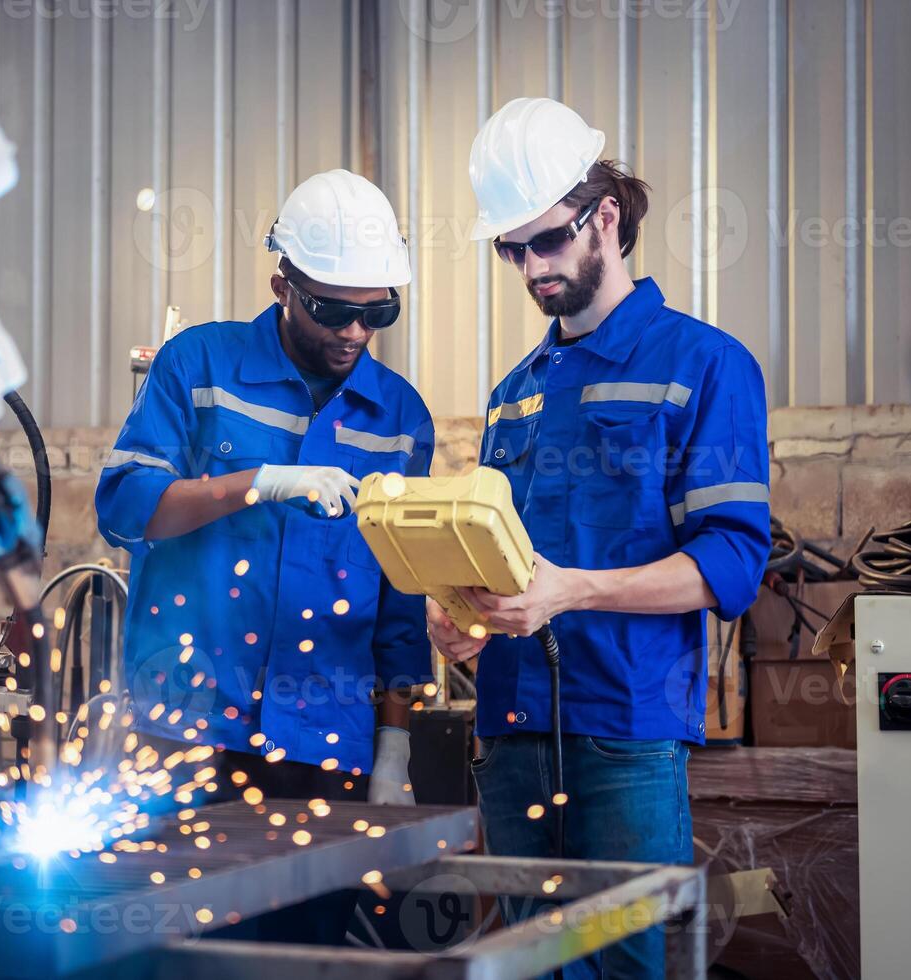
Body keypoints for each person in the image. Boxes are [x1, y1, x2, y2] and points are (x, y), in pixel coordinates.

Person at [431, 97, 771, 978]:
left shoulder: (706, 364)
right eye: (511, 250)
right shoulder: (515, 392)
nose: (531, 266)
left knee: (622, 966)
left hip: (622, 728)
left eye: (547, 240)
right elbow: (502, 556)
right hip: (508, 731)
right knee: (527, 967)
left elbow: (732, 561)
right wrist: (464, 618)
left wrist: (571, 590)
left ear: (605, 218)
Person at [95, 169, 434, 940]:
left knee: (301, 957)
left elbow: (399, 603)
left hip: (324, 744)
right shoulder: (198, 369)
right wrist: (255, 483)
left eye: (377, 310)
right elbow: (123, 509)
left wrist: (395, 744)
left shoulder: (400, 417)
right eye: (333, 310)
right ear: (283, 284)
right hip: (185, 734)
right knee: (181, 955)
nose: (354, 331)